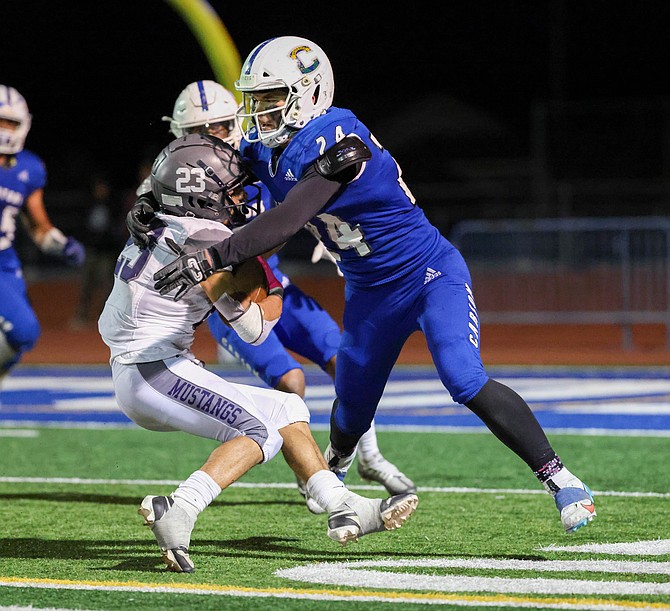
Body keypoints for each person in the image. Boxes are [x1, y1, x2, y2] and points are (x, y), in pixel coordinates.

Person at [136, 37, 597, 534]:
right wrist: (149, 200)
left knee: (462, 377)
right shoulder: (265, 150)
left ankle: (561, 477)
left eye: (271, 98)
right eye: (257, 100)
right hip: (369, 292)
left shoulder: (340, 136)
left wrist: (212, 256)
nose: (260, 113)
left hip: (427, 274)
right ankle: (337, 470)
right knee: (352, 406)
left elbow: (288, 219)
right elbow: (203, 168)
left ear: (309, 92)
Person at [99, 134, 418, 573]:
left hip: (150, 364)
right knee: (259, 433)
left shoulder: (158, 216)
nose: (238, 199)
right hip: (152, 369)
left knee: (287, 408)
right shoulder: (205, 234)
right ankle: (181, 508)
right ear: (200, 191)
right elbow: (254, 329)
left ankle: (341, 503)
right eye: (228, 190)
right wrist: (269, 286)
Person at [138, 79, 417, 507]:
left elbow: (297, 200)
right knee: (291, 380)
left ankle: (370, 455)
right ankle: (310, 477)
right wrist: (139, 207)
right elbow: (154, 194)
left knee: (346, 361)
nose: (214, 135)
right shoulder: (187, 173)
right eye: (201, 129)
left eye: (220, 125)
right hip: (227, 295)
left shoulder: (253, 153)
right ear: (182, 136)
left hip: (274, 283)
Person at [0, 85, 85, 381]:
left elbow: (39, 227)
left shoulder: (27, 167)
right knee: (23, 330)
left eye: (10, 122)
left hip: (4, 263)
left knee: (22, 336)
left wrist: (60, 245)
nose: (4, 129)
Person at [70, 173, 124, 328]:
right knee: (86, 285)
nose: (101, 190)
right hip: (91, 250)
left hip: (106, 252)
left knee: (107, 285)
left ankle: (107, 318)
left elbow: (116, 228)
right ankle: (82, 315)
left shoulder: (112, 205)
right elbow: (81, 225)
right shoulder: (88, 204)